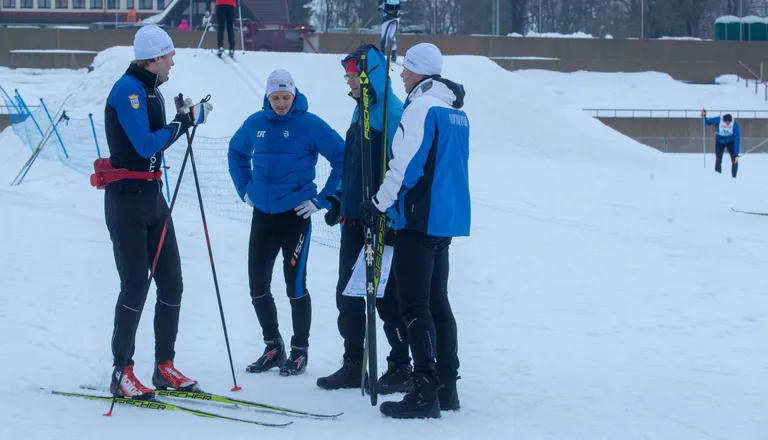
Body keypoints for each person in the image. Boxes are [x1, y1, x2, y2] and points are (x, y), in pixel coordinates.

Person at [358, 42, 470, 419]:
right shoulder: (455, 110)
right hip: (445, 219)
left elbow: (406, 166)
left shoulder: (422, 107)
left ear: (421, 70)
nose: (402, 75)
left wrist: (377, 204)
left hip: (419, 220)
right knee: (438, 301)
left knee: (415, 305)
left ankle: (424, 391)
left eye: (407, 68)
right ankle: (447, 387)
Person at [102, 25, 212, 399]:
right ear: (154, 58)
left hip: (153, 197)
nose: (173, 62)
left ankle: (164, 365)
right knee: (135, 283)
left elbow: (158, 139)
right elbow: (146, 143)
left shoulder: (153, 91)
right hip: (126, 199)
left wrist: (182, 115)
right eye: (169, 56)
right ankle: (122, 370)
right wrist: (185, 121)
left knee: (172, 281)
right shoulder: (127, 90)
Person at [228, 69, 345, 376]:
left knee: (294, 284)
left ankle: (299, 350)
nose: (281, 103)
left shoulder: (310, 124)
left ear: (295, 95)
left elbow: (344, 158)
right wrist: (245, 190)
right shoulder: (255, 123)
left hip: (295, 216)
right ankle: (273, 346)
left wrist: (321, 199)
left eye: (286, 97)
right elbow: (236, 152)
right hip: (263, 215)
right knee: (257, 285)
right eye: (275, 97)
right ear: (267, 97)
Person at [315, 44, 413, 394]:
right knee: (349, 294)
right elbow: (354, 163)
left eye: (353, 76)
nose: (349, 83)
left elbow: (400, 173)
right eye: (347, 77)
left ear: (368, 76)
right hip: (354, 220)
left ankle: (401, 364)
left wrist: (383, 209)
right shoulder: (361, 111)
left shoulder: (394, 114)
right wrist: (341, 199)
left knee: (387, 297)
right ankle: (353, 361)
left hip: (384, 222)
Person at [702, 109, 741, 178]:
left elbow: (737, 138)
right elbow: (705, 122)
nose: (728, 123)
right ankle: (718, 177)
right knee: (718, 159)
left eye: (729, 122)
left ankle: (734, 177)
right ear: (724, 120)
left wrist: (736, 152)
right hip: (720, 141)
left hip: (730, 142)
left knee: (735, 160)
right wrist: (703, 116)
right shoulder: (718, 119)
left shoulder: (735, 124)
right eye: (726, 122)